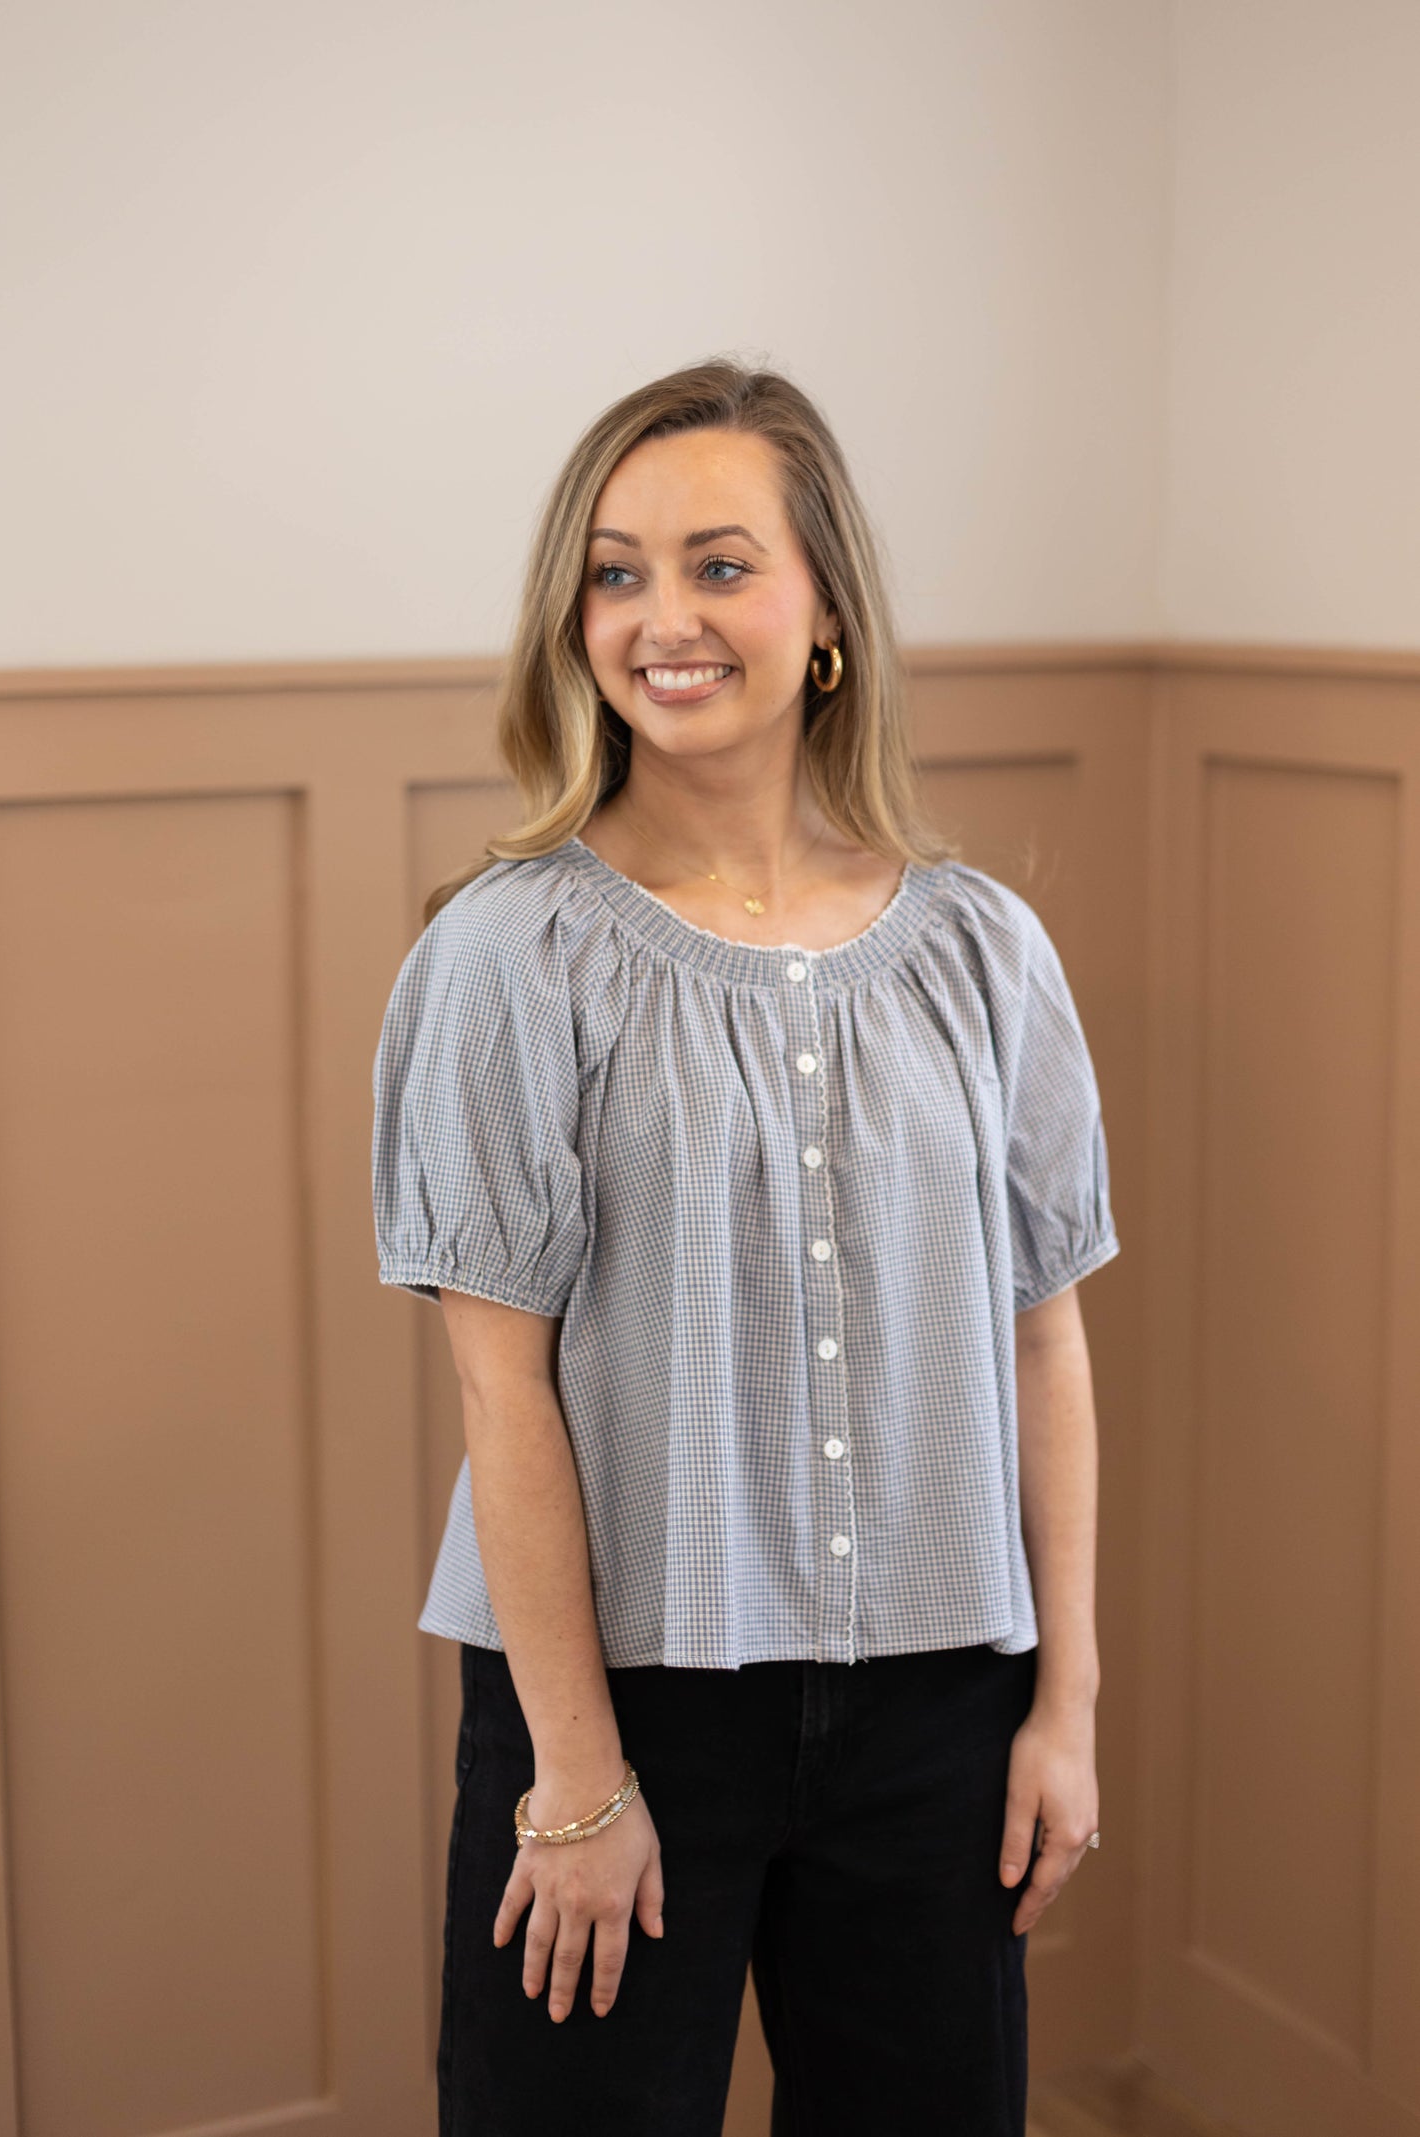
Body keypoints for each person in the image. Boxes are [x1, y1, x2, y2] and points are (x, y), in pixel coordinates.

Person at [371, 358, 1120, 2136]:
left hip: (945, 1707)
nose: (662, 619)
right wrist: (576, 1778)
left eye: (719, 564)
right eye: (614, 574)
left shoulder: (983, 950)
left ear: (827, 609)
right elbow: (502, 1391)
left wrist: (1064, 1704)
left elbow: (1044, 1339)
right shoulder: (506, 958)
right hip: (618, 1710)